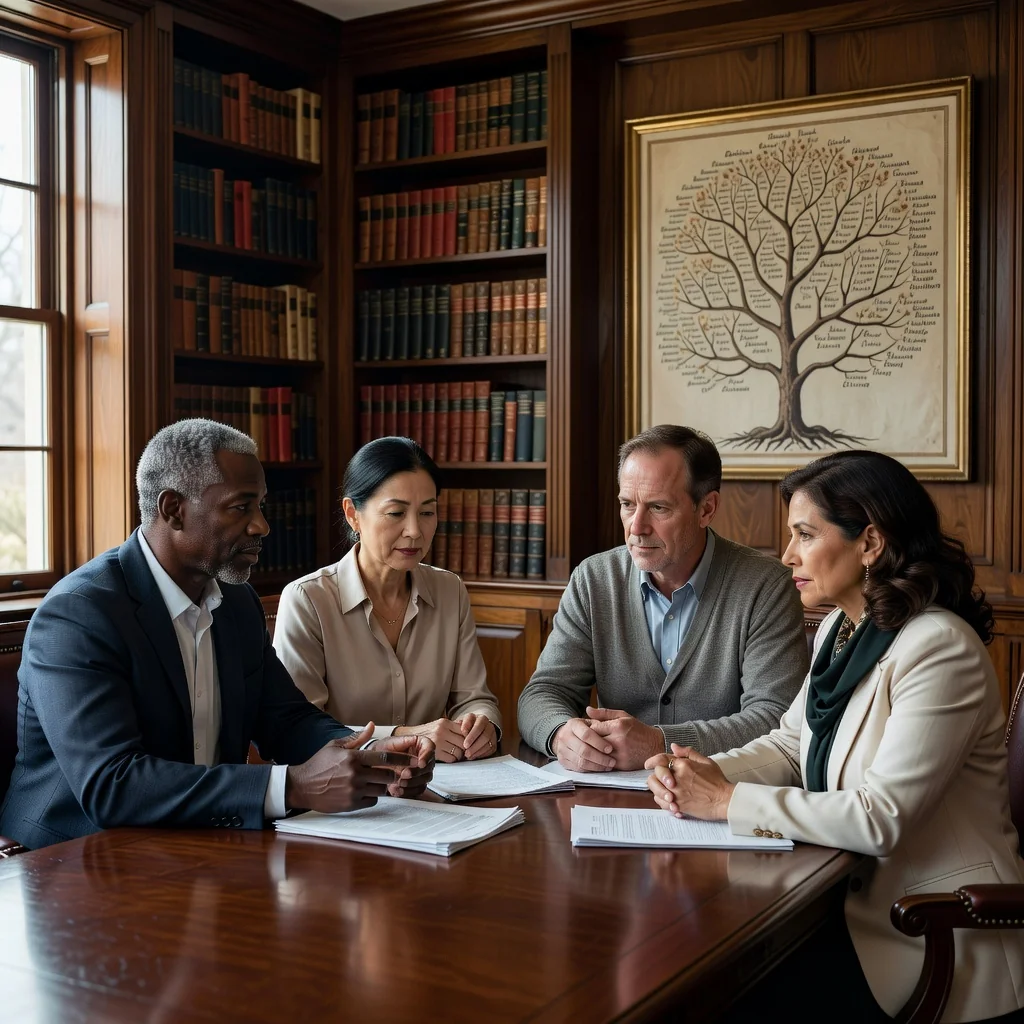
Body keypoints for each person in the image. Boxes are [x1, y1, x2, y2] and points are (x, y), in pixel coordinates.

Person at [646, 450, 1024, 1022]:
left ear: (870, 544)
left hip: (931, 934)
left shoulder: (938, 647)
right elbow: (790, 745)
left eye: (804, 534)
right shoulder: (840, 631)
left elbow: (882, 816)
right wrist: (700, 771)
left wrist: (725, 802)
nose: (787, 554)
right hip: (843, 907)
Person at [0, 420, 433, 851]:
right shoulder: (79, 614)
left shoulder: (237, 602)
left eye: (261, 505)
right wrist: (292, 787)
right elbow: (112, 785)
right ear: (173, 509)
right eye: (240, 507)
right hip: (69, 863)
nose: (261, 525)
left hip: (199, 848)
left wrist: (375, 756)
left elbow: (287, 719)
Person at [516, 424, 808, 770]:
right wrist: (560, 733)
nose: (636, 527)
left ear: (706, 509)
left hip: (719, 797)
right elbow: (542, 692)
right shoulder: (594, 579)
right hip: (610, 798)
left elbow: (775, 718)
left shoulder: (765, 586)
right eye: (627, 504)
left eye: (658, 508)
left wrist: (660, 742)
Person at [273, 437, 501, 763]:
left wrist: (482, 723)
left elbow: (474, 697)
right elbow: (299, 728)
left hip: (438, 786)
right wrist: (402, 736)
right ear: (353, 514)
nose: (414, 531)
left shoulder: (450, 590)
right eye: (396, 513)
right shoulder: (308, 600)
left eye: (427, 512)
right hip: (341, 794)